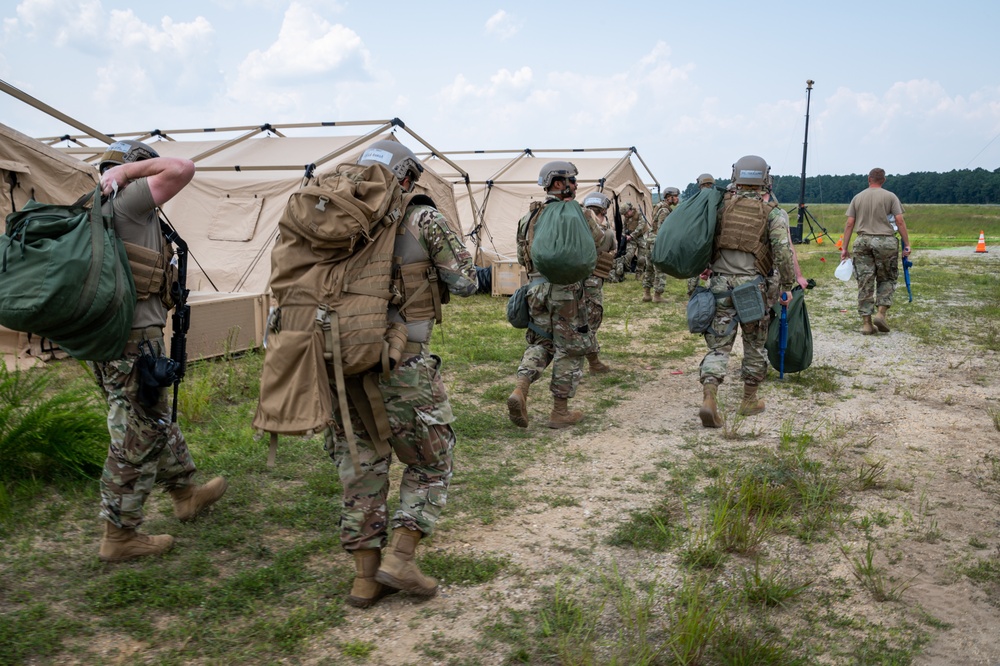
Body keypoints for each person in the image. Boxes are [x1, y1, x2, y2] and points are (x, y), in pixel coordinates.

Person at [322, 140, 478, 607]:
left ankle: (364, 580)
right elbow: (465, 281)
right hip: (402, 361)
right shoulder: (423, 218)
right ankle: (402, 556)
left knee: (361, 466)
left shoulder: (329, 216)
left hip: (337, 361)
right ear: (408, 176)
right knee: (431, 460)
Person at [93, 140, 227, 562]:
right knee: (135, 437)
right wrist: (132, 174)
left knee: (151, 417)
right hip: (132, 341)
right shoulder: (127, 196)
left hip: (113, 339)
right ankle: (119, 535)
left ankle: (185, 492)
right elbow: (183, 167)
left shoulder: (96, 204)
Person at [698, 155, 797, 428]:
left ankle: (709, 397)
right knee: (754, 344)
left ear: (735, 177)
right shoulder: (775, 214)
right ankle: (749, 400)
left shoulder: (719, 209)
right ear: (765, 179)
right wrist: (787, 286)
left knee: (719, 346)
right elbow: (783, 253)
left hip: (719, 286)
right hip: (754, 288)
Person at [506, 161, 603, 430]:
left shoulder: (528, 218)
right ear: (559, 183)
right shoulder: (580, 214)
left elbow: (520, 256)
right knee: (571, 349)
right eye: (572, 180)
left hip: (535, 290)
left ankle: (521, 389)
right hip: (567, 292)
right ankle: (559, 411)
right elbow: (603, 242)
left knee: (542, 342)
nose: (576, 185)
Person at [841, 168, 910, 334]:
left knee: (865, 281)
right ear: (883, 180)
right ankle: (881, 313)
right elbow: (899, 221)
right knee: (887, 277)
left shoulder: (858, 197)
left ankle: (866, 323)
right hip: (885, 241)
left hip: (862, 241)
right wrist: (907, 244)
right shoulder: (890, 196)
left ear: (868, 179)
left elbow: (850, 223)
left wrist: (844, 248)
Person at [581, 191, 617, 373]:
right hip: (592, 285)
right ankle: (592, 363)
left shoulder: (575, 229)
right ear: (602, 212)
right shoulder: (606, 234)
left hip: (568, 282)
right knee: (589, 324)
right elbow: (613, 248)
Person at [643, 187, 679, 302]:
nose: (677, 199)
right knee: (660, 269)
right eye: (675, 196)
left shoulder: (658, 206)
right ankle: (657, 296)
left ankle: (647, 294)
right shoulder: (664, 211)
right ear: (670, 197)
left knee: (649, 268)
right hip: (657, 242)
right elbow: (662, 230)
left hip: (650, 240)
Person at [610, 202, 648, 282]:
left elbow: (641, 226)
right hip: (631, 239)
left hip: (641, 237)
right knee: (628, 255)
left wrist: (632, 235)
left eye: (626, 214)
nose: (625, 216)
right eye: (624, 215)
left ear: (630, 210)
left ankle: (639, 274)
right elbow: (624, 228)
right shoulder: (626, 219)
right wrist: (624, 236)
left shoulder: (639, 214)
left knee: (641, 258)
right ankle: (621, 272)